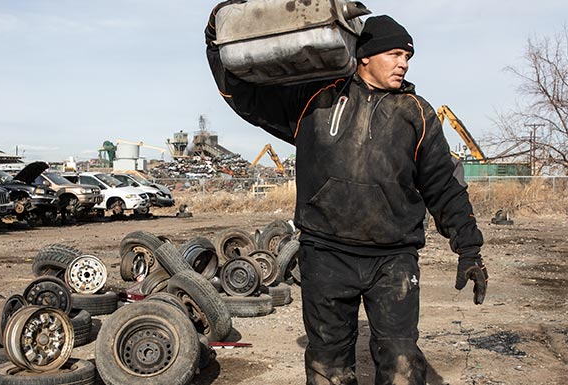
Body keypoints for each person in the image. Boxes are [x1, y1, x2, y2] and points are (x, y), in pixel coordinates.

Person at [205, 4, 488, 385]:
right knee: (327, 364)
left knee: (402, 360)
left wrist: (469, 249)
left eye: (407, 56)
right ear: (365, 57)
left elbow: (444, 185)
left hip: (393, 259)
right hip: (325, 254)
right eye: (395, 54)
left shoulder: (416, 114)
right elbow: (245, 97)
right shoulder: (315, 99)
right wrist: (214, 41)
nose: (403, 63)